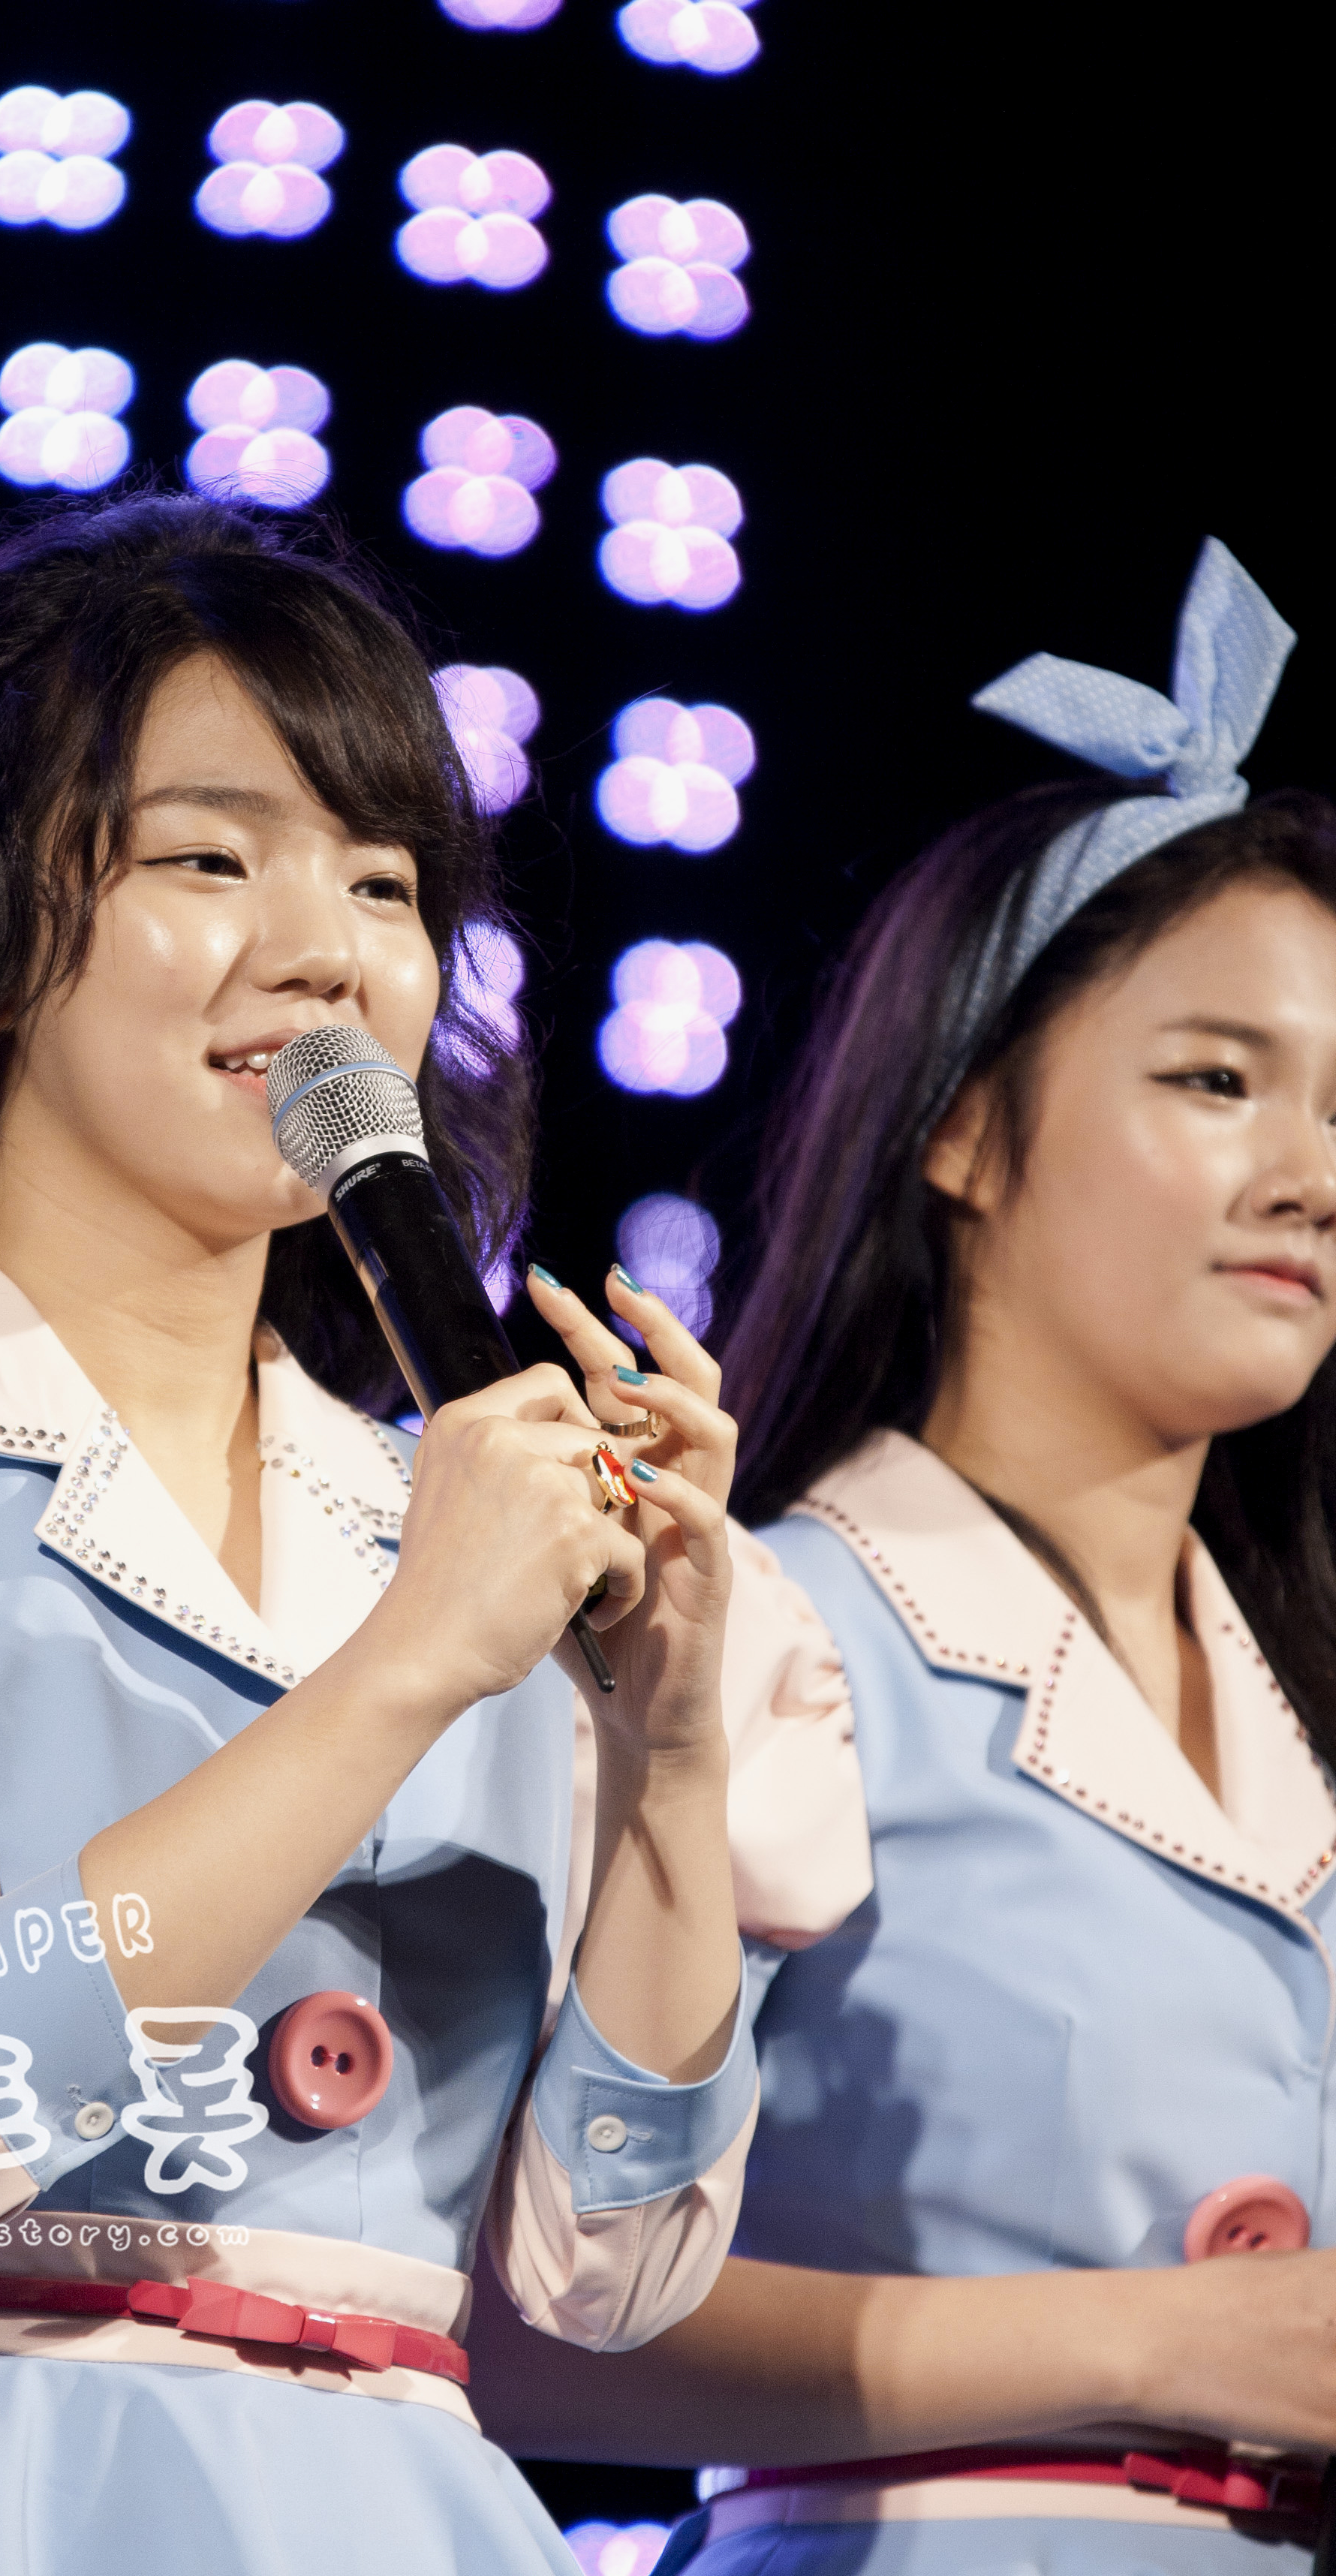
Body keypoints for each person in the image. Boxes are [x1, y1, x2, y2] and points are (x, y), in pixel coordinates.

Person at [0, 492, 760, 2574]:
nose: (325, 949)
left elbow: (607, 2269)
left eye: (384, 883)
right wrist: (410, 1663)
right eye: (211, 859)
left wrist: (670, 1751)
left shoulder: (458, 1515)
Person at [468, 540, 1336, 2573]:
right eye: (1217, 1081)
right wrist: (1159, 2346)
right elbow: (507, 2316)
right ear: (960, 1125)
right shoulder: (747, 1632)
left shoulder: (1293, 1698)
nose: (1310, 1176)